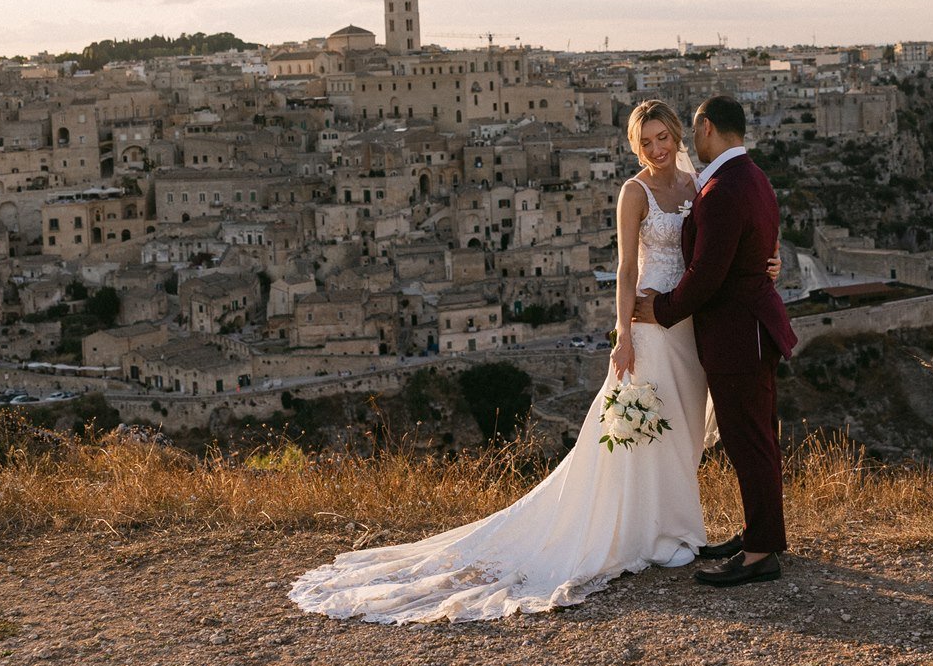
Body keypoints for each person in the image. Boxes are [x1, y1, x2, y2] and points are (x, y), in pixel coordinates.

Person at [286, 99, 779, 623]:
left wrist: (763, 263)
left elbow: (728, 238)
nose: (657, 149)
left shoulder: (696, 182)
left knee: (678, 430)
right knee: (644, 432)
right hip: (651, 324)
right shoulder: (633, 192)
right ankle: (645, 533)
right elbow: (624, 268)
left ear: (680, 133)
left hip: (687, 328)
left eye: (662, 138)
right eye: (646, 142)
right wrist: (623, 336)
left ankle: (681, 529)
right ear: (635, 147)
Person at [634, 94, 799, 588]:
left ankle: (760, 553)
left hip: (737, 332)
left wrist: (659, 310)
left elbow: (707, 272)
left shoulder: (725, 187)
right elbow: (759, 242)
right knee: (757, 437)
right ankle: (761, 535)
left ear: (704, 127)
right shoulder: (752, 175)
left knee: (749, 440)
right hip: (748, 327)